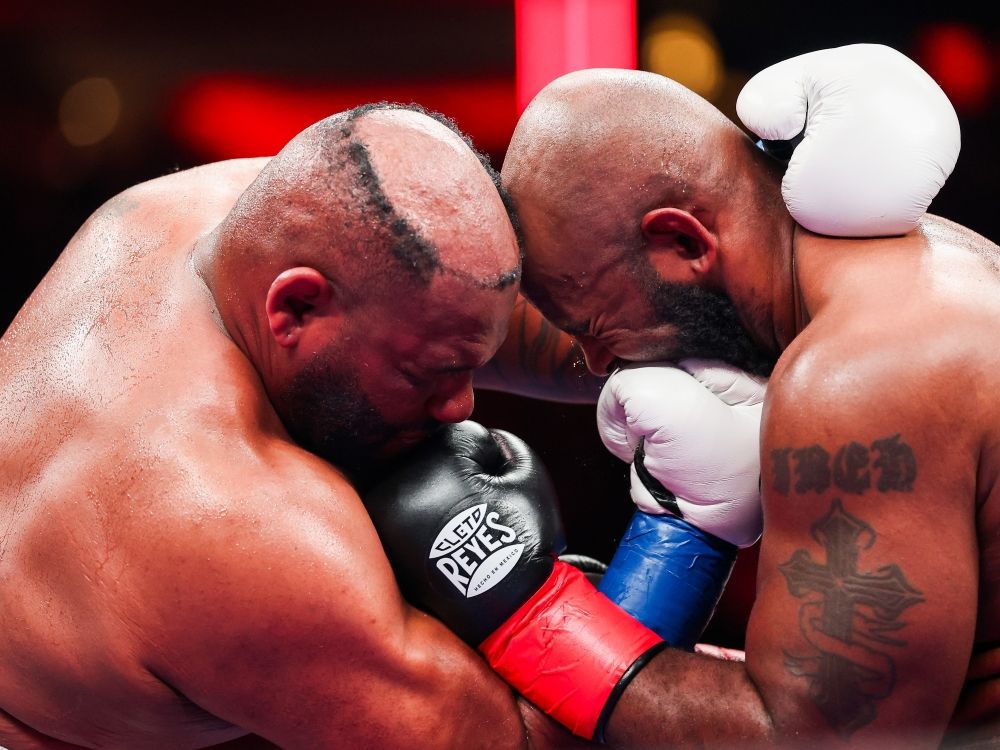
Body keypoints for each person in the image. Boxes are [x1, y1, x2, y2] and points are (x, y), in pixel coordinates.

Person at [363, 61, 997, 750]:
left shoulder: (858, 377)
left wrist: (519, 611)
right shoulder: (936, 264)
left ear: (683, 243)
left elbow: (815, 741)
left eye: (592, 326)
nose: (599, 365)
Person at [0, 102, 593, 750]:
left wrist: (683, 352)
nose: (462, 408)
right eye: (430, 374)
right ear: (296, 308)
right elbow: (517, 741)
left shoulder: (211, 211)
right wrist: (652, 574)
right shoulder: (229, 521)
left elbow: (459, 315)